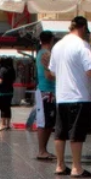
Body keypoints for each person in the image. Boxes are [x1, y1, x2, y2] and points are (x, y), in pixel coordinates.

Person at [49, 16, 91, 177]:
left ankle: (60, 165)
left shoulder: (57, 46)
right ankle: (77, 167)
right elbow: (90, 70)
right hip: (79, 96)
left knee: (60, 132)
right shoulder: (82, 45)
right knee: (76, 133)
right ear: (83, 28)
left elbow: (52, 72)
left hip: (62, 95)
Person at [34, 30, 57, 160]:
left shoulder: (41, 53)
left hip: (46, 91)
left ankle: (43, 150)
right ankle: (42, 150)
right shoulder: (46, 54)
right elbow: (48, 75)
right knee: (44, 122)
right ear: (51, 40)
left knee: (48, 122)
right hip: (46, 91)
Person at [0, 56, 16, 131]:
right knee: (8, 108)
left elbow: (0, 81)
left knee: (2, 108)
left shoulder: (2, 69)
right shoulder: (12, 70)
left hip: (2, 92)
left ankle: (2, 124)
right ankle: (8, 124)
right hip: (10, 91)